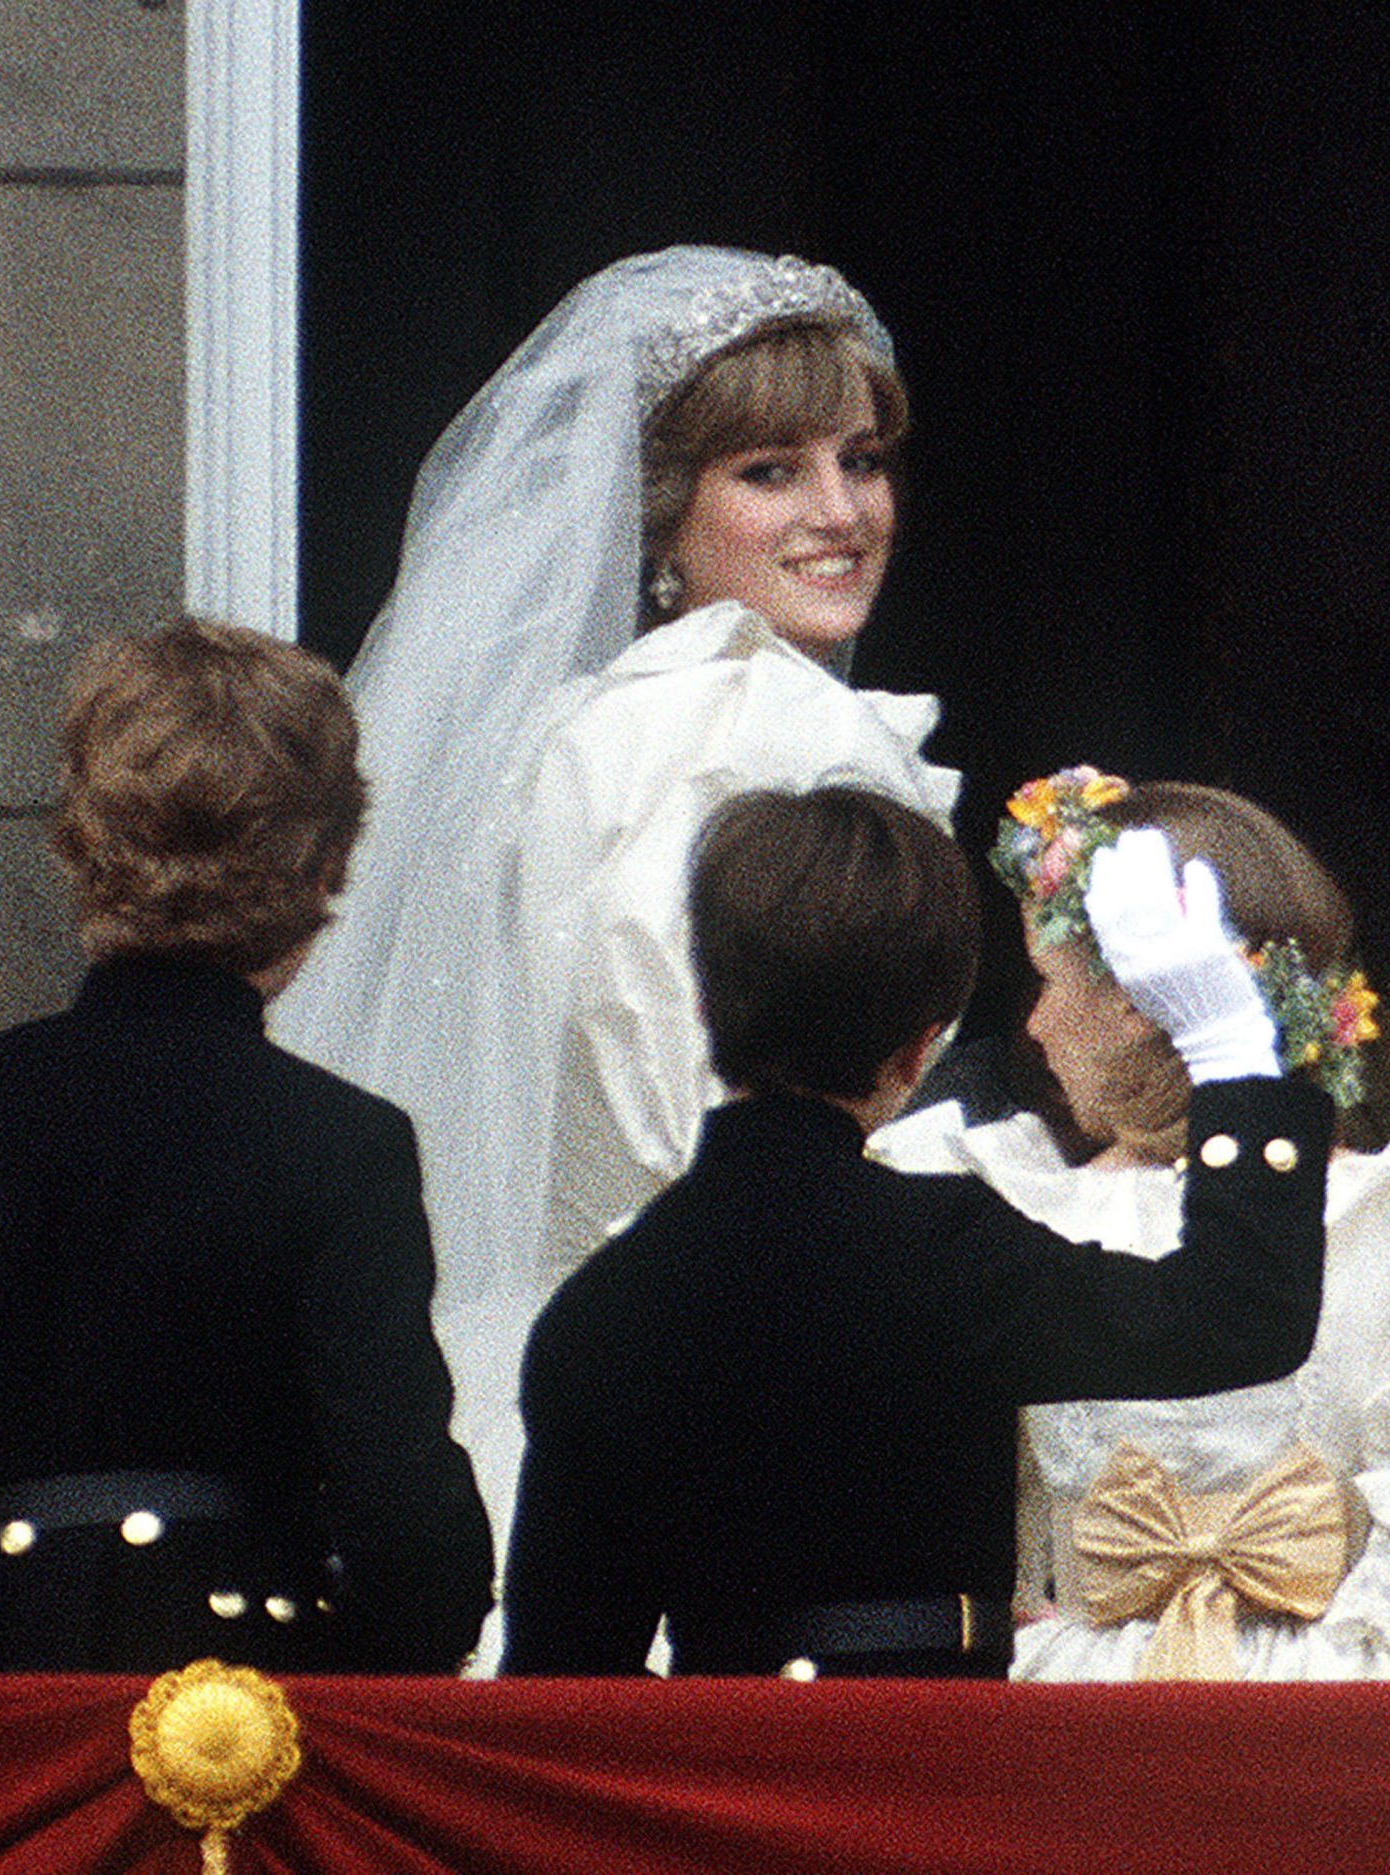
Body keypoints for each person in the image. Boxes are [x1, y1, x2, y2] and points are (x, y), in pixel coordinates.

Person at [270, 250, 958, 1562]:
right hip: (730, 1382)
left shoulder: (589, 727)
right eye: (770, 472)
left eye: (861, 459)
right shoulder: (736, 727)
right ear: (659, 512)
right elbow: (685, 1113)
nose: (840, 509)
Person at [0, 619, 494, 1673]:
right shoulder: (340, 1141)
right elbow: (404, 1509)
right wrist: (359, 1659)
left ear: (82, 843)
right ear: (325, 864)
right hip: (253, 1703)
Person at [501, 786, 1332, 1677]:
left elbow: (560, 1689)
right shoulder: (947, 1250)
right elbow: (1237, 1317)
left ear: (705, 1009)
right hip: (941, 1786)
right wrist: (1231, 1052)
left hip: (715, 1793)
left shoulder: (600, 1310)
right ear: (920, 1046)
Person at [871, 768, 1390, 1679]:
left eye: (1049, 981)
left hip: (1336, 1709)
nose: (1036, 1024)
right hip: (1081, 1704)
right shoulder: (1003, 1194)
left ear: (1142, 1001)